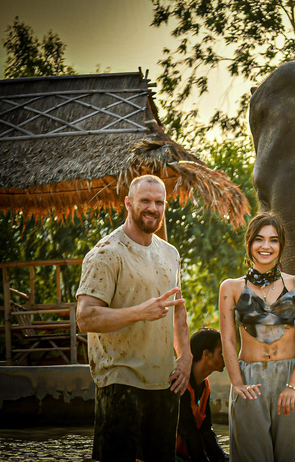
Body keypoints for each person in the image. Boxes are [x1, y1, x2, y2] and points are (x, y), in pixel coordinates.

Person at [76, 174, 191, 462]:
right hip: (120, 379)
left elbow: (178, 310)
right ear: (128, 203)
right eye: (145, 201)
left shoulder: (170, 253)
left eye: (159, 202)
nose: (153, 208)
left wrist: (185, 357)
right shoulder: (106, 253)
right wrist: (140, 312)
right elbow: (86, 318)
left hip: (164, 382)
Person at [218, 212, 295, 462]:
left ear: (281, 246)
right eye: (259, 239)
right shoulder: (231, 287)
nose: (266, 246)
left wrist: (294, 385)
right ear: (249, 243)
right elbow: (228, 339)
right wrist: (237, 383)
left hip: (291, 378)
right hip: (250, 380)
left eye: (273, 240)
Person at [176, 327, 229, 462]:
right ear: (206, 354)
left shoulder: (205, 385)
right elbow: (188, 432)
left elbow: (206, 431)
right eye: (221, 352)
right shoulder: (180, 383)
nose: (226, 357)